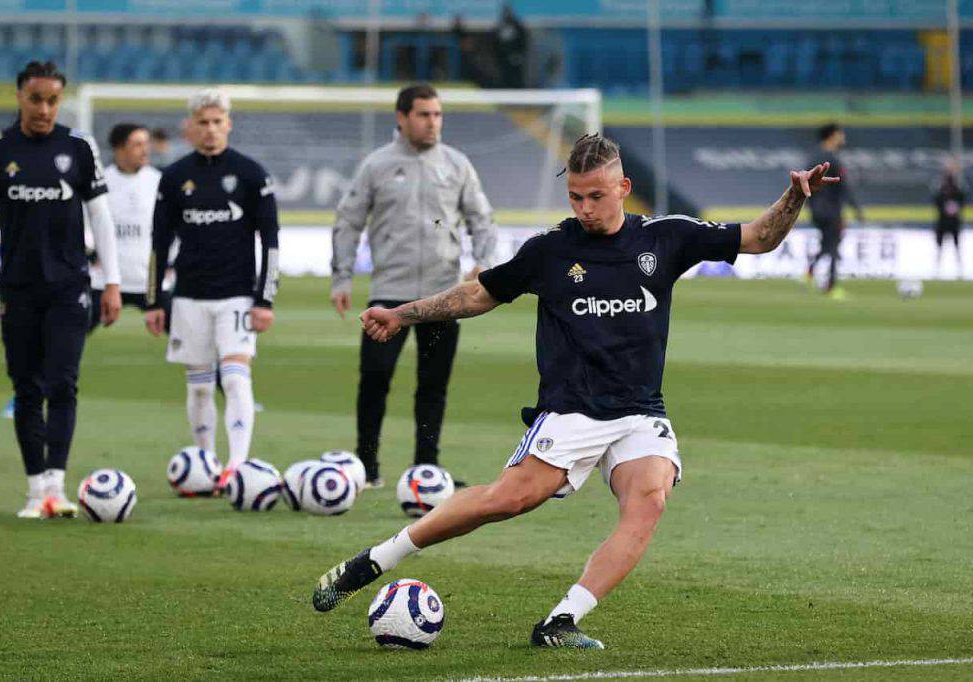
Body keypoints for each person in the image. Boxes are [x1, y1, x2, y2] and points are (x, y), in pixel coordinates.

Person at [312, 134, 839, 648]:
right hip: (572, 411)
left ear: (623, 187)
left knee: (649, 500)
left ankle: (562, 620)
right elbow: (476, 295)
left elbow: (761, 237)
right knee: (507, 500)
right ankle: (377, 559)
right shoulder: (551, 250)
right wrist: (401, 315)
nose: (584, 208)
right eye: (575, 197)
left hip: (639, 411)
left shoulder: (666, 236)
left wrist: (794, 196)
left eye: (596, 196)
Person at [0, 60, 121, 519]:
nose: (44, 109)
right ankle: (35, 490)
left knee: (63, 383)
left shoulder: (79, 147)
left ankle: (57, 485)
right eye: (36, 99)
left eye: (53, 100)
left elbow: (102, 219)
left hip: (70, 286)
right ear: (20, 97)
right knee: (27, 388)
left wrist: (111, 282)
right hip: (16, 288)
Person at [330, 83, 497, 488]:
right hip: (389, 292)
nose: (432, 122)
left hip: (444, 296)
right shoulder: (377, 165)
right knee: (374, 379)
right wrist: (342, 275)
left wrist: (485, 263)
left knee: (433, 386)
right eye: (424, 114)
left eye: (437, 114)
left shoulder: (457, 164)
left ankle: (426, 468)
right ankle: (366, 468)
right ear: (402, 117)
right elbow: (349, 220)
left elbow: (482, 218)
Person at [144, 88, 279, 490]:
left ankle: (236, 466)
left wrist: (264, 299)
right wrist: (154, 301)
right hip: (188, 296)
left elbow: (270, 242)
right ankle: (205, 467)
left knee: (236, 379)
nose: (211, 130)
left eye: (218, 122)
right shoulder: (173, 178)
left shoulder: (253, 175)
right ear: (190, 127)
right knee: (200, 388)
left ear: (228, 125)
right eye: (203, 122)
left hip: (237, 295)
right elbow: (158, 243)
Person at [88, 123, 165, 331]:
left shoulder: (159, 181)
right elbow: (84, 225)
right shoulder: (99, 181)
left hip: (149, 281)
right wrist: (90, 255)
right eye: (138, 144)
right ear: (119, 148)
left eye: (147, 143)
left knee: (190, 337)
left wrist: (170, 263)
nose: (145, 149)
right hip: (104, 281)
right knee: (68, 335)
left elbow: (172, 228)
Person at [805, 123, 863, 298]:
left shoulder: (813, 157)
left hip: (817, 210)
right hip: (831, 210)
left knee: (827, 244)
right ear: (832, 136)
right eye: (840, 134)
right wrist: (856, 209)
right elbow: (844, 186)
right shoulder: (834, 160)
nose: (843, 137)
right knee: (834, 245)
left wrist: (812, 207)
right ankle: (830, 286)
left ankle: (810, 271)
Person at [932, 160, 965, 277]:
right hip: (943, 222)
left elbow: (963, 199)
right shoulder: (941, 191)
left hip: (954, 223)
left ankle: (960, 269)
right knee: (940, 246)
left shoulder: (957, 191)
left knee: (956, 246)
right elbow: (936, 201)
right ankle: (936, 269)